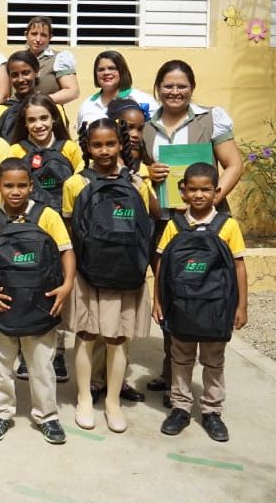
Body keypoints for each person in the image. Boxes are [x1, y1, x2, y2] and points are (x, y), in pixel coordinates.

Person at [143, 60, 244, 397]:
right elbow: (148, 174)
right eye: (168, 86)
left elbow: (234, 164)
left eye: (182, 86)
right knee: (174, 292)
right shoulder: (147, 126)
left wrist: (211, 199)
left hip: (206, 225)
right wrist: (152, 176)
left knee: (206, 288)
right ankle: (173, 374)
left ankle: (208, 377)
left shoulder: (210, 119)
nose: (175, 92)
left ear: (192, 87)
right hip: (169, 222)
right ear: (158, 88)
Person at [62, 118, 158, 435]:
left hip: (126, 271)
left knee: (118, 339)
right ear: (86, 147)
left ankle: (113, 402)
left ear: (121, 144)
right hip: (89, 272)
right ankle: (84, 398)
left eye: (110, 144)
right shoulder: (75, 184)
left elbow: (143, 229)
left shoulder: (137, 184)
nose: (104, 150)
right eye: (96, 145)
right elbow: (69, 234)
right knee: (87, 336)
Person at [0, 158, 75, 445]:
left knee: (42, 364)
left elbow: (66, 250)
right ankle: (0, 412)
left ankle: (47, 416)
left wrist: (67, 285)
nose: (15, 191)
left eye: (22, 185)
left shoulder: (47, 215)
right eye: (8, 185)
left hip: (41, 303)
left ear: (31, 186)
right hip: (2, 305)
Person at [154, 162, 248, 443]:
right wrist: (157, 300)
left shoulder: (227, 225)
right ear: (182, 191)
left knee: (213, 361)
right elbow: (161, 264)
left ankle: (211, 411)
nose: (198, 195)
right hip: (181, 305)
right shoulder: (175, 225)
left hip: (216, 307)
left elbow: (239, 266)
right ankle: (180, 408)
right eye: (192, 189)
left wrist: (241, 306)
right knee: (180, 359)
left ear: (216, 191)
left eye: (205, 189)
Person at [75, 51, 156, 129]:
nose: (106, 72)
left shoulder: (143, 100)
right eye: (101, 69)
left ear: (122, 71)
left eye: (111, 68)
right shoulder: (87, 105)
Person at [24, 16, 79, 113]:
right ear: (26, 35)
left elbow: (72, 91)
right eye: (34, 34)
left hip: (49, 114)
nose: (38, 39)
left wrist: (41, 101)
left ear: (50, 37)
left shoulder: (59, 58)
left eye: (43, 35)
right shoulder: (20, 59)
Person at [0, 51, 41, 139]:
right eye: (14, 75)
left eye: (25, 73)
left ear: (36, 72)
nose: (20, 79)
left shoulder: (52, 107)